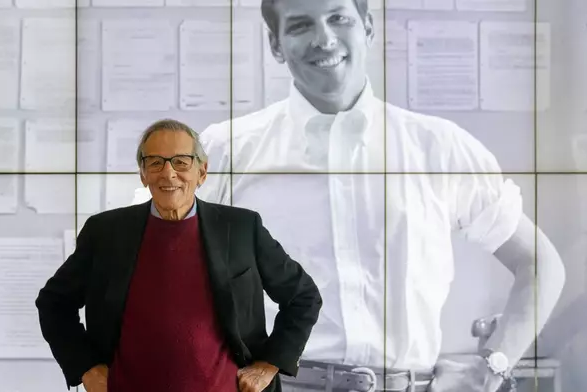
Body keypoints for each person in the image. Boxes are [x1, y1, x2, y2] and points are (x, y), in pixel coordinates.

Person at [187, 0, 567, 391]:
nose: (324, 38)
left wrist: (492, 366)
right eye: (300, 26)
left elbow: (539, 264)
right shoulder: (226, 151)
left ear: (367, 27)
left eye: (339, 18)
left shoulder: (438, 147)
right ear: (276, 44)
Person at [35, 118, 323, 392]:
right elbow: (54, 303)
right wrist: (86, 367)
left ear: (202, 172)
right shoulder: (105, 233)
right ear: (143, 173)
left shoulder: (242, 228)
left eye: (181, 162)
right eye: (155, 162)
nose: (168, 173)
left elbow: (303, 297)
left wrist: (270, 364)